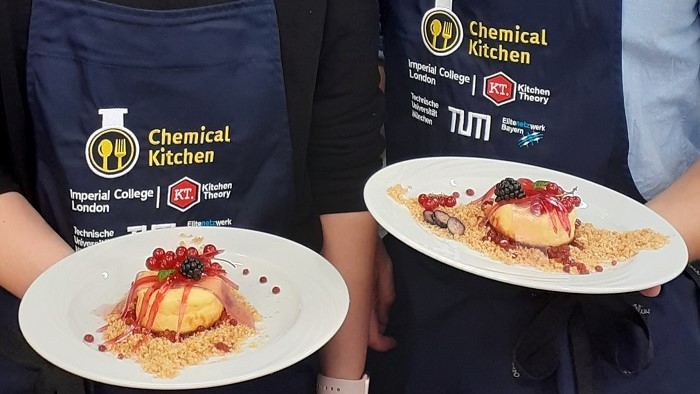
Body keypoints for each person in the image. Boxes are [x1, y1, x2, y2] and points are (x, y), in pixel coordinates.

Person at [0, 0, 385, 393]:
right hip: (69, 346)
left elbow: (343, 166)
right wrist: (101, 304)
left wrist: (341, 382)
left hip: (270, 348)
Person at [367, 0, 700, 393]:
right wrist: (360, 243)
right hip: (424, 305)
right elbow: (352, 83)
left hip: (621, 321)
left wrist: (637, 252)